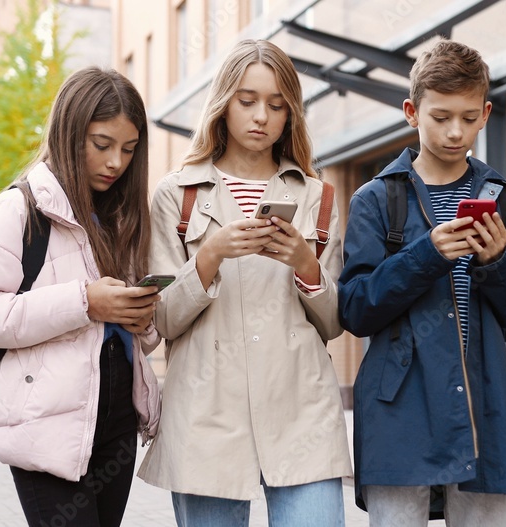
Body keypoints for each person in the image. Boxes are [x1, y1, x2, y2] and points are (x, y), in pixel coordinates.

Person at [137, 39, 351, 526]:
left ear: (290, 114)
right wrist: (210, 255)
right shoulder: (176, 194)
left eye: (277, 105)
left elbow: (335, 322)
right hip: (205, 413)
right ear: (223, 103)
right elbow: (162, 320)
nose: (261, 116)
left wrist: (305, 263)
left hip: (302, 412)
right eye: (247, 101)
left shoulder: (318, 196)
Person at [0, 67, 162, 527]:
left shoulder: (118, 217)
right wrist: (85, 302)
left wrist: (141, 320)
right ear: (68, 132)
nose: (116, 162)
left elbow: (134, 333)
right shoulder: (17, 208)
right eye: (102, 145)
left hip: (116, 415)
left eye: (128, 149)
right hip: (43, 420)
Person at [338, 39, 506, 526]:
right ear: (412, 111)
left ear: (487, 112)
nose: (456, 131)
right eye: (441, 116)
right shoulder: (376, 200)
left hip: (483, 410)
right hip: (398, 415)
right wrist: (425, 254)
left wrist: (498, 263)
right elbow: (355, 311)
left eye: (469, 118)